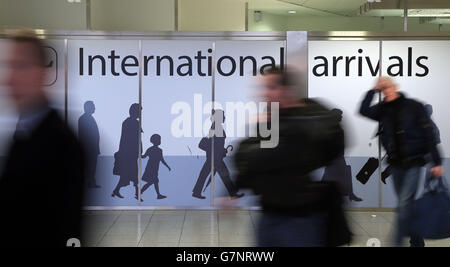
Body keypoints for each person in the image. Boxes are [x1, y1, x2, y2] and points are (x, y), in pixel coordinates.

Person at [234, 67, 347, 247]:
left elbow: (268, 156)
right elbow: (243, 156)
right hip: (269, 214)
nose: (264, 94)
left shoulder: (310, 116)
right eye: (263, 88)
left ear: (288, 90)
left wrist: (264, 152)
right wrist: (235, 187)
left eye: (271, 88)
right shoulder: (271, 119)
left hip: (301, 219)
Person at [0, 30, 85, 246]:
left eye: (21, 66)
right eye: (8, 66)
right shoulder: (24, 132)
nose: (10, 78)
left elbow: (68, 230)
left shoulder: (62, 144)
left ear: (42, 73)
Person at [359, 76, 443, 247]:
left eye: (387, 86)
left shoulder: (414, 107)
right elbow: (363, 110)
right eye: (382, 88)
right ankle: (417, 241)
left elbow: (429, 136)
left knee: (404, 205)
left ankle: (396, 243)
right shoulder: (383, 109)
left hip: (414, 163)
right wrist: (372, 91)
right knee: (407, 206)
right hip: (395, 164)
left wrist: (437, 162)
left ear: (395, 87)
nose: (385, 90)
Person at [192, 109, 244, 200]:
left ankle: (196, 192)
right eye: (223, 116)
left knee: (207, 174)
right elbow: (214, 144)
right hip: (215, 158)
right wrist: (221, 151)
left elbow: (215, 143)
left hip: (214, 157)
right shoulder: (217, 127)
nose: (224, 117)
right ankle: (233, 193)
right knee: (223, 175)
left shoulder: (215, 127)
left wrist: (221, 150)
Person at [112, 103, 141, 201]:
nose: (140, 114)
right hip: (129, 154)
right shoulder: (131, 123)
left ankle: (118, 191)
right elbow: (128, 139)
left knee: (129, 174)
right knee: (130, 174)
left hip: (130, 153)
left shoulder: (129, 122)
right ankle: (137, 194)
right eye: (139, 111)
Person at [140, 134, 171, 200]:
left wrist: (167, 166)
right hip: (150, 168)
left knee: (154, 182)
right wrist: (138, 154)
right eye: (159, 140)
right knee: (153, 182)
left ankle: (157, 195)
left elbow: (161, 160)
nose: (160, 141)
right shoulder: (151, 149)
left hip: (154, 169)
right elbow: (144, 156)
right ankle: (140, 192)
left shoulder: (159, 150)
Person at [78, 101, 100, 188]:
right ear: (88, 107)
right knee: (89, 166)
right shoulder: (84, 119)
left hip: (93, 148)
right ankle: (88, 183)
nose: (94, 108)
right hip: (88, 148)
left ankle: (91, 182)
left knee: (92, 166)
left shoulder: (89, 118)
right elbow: (84, 134)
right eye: (93, 106)